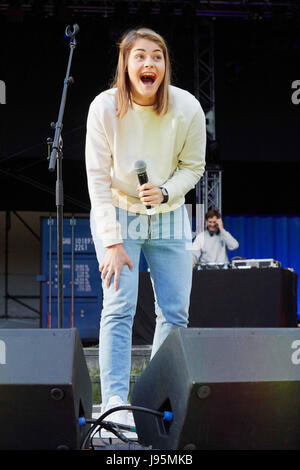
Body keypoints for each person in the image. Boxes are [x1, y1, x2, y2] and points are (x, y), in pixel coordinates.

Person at [85, 27, 206, 424]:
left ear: (165, 65)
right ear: (126, 64)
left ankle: (153, 399)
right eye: (140, 56)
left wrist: (168, 191)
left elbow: (194, 167)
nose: (149, 63)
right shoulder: (104, 108)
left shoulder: (187, 107)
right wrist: (113, 242)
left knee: (175, 313)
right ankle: (116, 402)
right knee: (118, 307)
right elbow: (98, 183)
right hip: (119, 212)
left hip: (169, 217)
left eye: (157, 56)